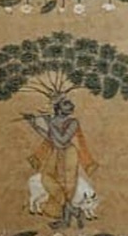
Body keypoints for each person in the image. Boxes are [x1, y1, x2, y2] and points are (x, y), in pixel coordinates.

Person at [24, 94, 96, 227]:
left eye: (70, 103)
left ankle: (65, 219)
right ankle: (73, 210)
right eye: (66, 103)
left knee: (67, 186)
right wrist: (33, 124)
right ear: (58, 107)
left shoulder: (73, 122)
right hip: (56, 153)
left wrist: (50, 123)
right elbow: (50, 138)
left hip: (68, 154)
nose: (71, 105)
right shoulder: (54, 120)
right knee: (46, 178)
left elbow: (62, 141)